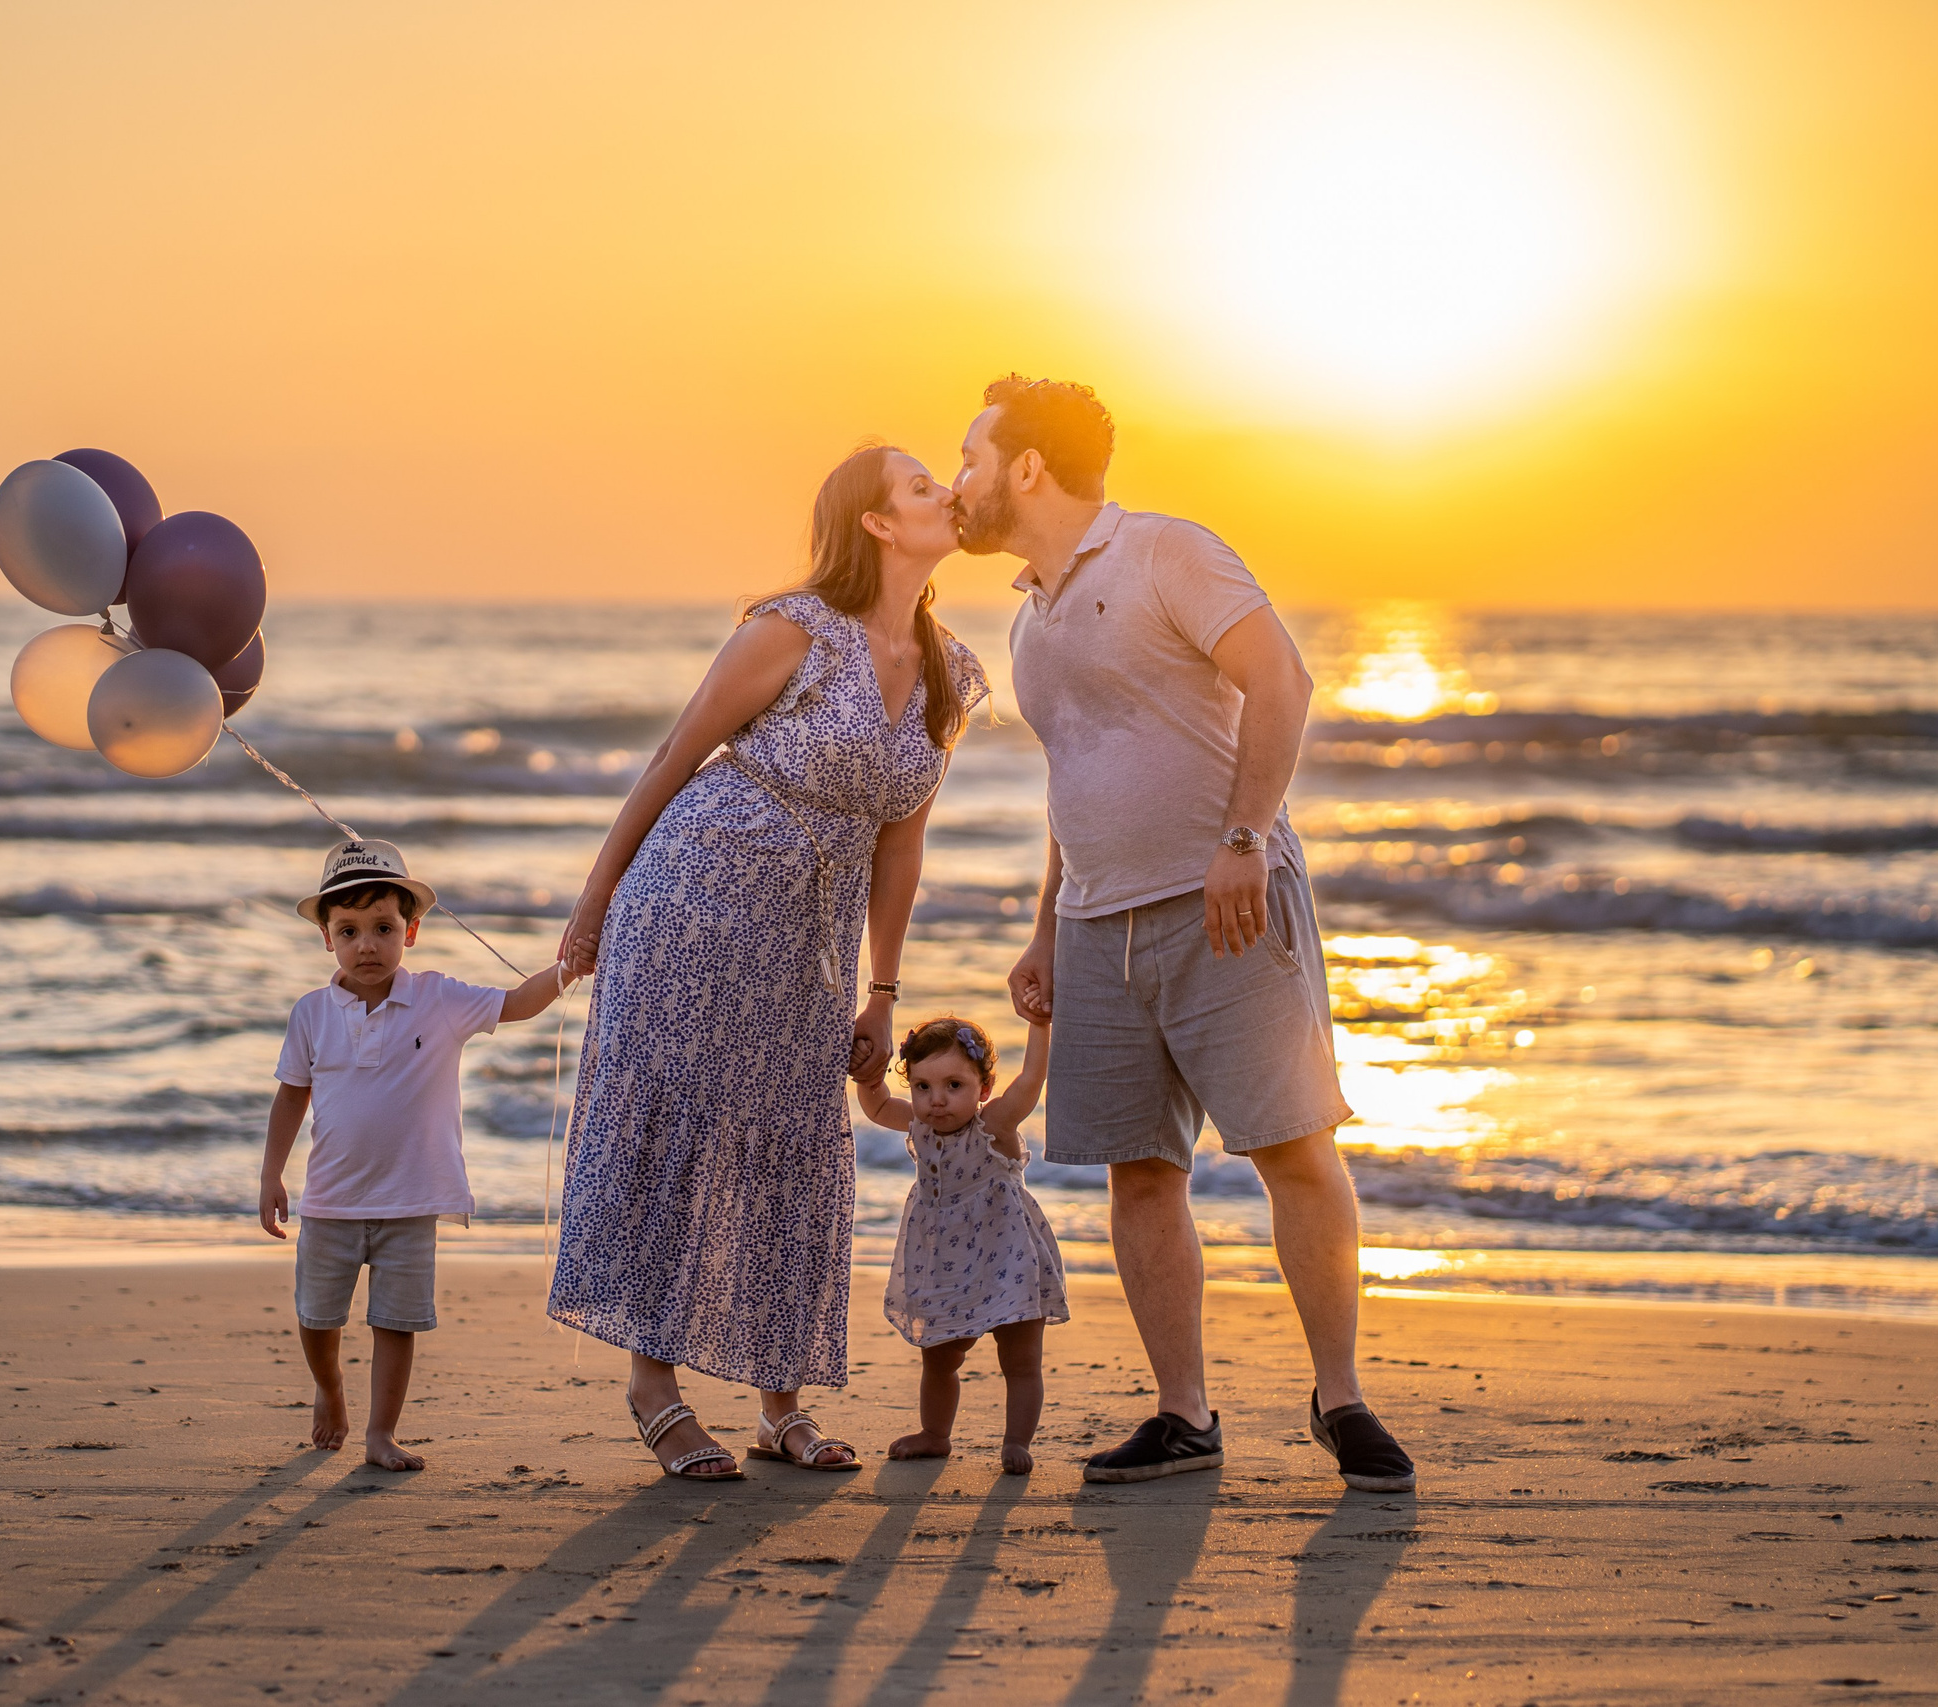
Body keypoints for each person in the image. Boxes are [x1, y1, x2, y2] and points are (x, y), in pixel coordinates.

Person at [955, 374, 1416, 1493]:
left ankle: (1339, 1397)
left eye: (969, 457)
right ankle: (1183, 1416)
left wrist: (1246, 838)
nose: (957, 480)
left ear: (1026, 466)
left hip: (1229, 906)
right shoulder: (1027, 615)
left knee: (1293, 1147)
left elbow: (1281, 680)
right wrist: (1042, 932)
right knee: (1139, 1173)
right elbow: (1079, 779)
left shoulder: (1168, 551)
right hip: (1095, 925)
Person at [548, 443, 988, 1481]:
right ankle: (653, 1388)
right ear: (878, 524)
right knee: (687, 1138)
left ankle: (777, 1401)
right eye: (921, 486)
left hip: (812, 946)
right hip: (694, 904)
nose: (946, 493)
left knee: (794, 1142)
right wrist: (596, 899)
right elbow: (675, 756)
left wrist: (882, 989)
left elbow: (903, 840)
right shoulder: (792, 630)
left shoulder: (952, 669)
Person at [259, 838, 566, 1469]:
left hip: (411, 1199)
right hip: (331, 1202)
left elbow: (516, 1005)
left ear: (412, 931)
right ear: (326, 939)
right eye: (349, 931)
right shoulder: (312, 1013)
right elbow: (292, 1097)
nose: (366, 944)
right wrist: (271, 1174)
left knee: (395, 1323)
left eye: (383, 928)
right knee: (317, 1318)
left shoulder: (438, 998)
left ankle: (380, 1433)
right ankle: (330, 1388)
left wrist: (567, 968)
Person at [858, 1015, 1066, 1476]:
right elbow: (873, 1106)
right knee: (940, 1356)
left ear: (984, 1086)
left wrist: (1040, 1025)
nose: (936, 1100)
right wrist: (866, 1067)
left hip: (1008, 1257)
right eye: (922, 1087)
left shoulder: (994, 1124)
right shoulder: (919, 1125)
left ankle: (1016, 1441)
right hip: (945, 1263)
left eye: (954, 1085)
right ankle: (935, 1434)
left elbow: (1031, 1080)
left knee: (1020, 1358)